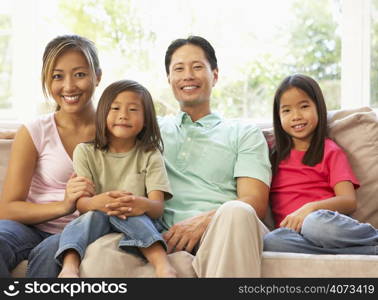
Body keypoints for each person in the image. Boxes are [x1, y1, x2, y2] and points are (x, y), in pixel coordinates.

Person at [106, 36, 272, 277]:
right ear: (169, 79)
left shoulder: (243, 132)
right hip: (163, 235)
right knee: (100, 248)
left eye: (197, 67)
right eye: (179, 69)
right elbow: (103, 136)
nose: (188, 76)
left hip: (226, 231)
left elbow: (254, 201)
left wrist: (204, 222)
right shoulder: (149, 130)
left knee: (237, 211)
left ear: (215, 75)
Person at [0, 34, 101, 277]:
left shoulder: (117, 130)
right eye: (57, 76)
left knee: (50, 252)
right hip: (29, 228)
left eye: (79, 74)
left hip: (79, 232)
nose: (68, 86)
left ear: (98, 76)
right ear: (46, 80)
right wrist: (64, 205)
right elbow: (8, 209)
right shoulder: (34, 131)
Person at [55, 79, 177, 278]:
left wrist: (139, 203)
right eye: (115, 108)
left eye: (133, 110)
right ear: (102, 113)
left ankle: (163, 265)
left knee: (130, 210)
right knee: (87, 219)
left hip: (138, 221)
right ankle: (69, 266)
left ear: (146, 119)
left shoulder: (150, 153)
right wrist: (98, 202)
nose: (123, 115)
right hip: (97, 219)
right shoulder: (85, 151)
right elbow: (82, 204)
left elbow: (157, 207)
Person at [263, 74, 378, 255]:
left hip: (322, 224)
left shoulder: (330, 150)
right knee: (271, 241)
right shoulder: (271, 154)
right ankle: (367, 251)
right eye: (287, 110)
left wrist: (310, 208)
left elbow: (348, 201)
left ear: (319, 108)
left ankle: (373, 239)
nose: (296, 116)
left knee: (315, 224)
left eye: (304, 106)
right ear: (278, 116)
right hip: (293, 235)